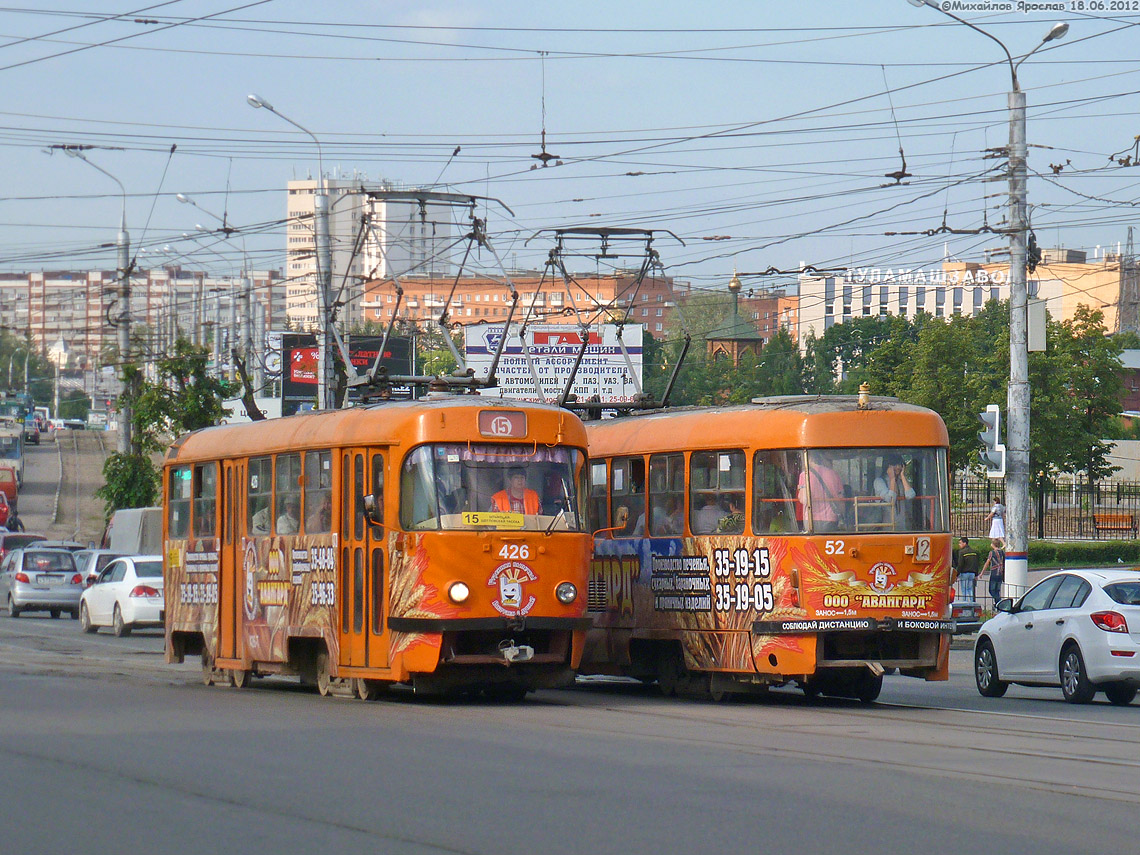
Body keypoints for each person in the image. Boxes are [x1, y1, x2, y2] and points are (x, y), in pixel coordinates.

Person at [797, 451, 845, 532]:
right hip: (831, 518)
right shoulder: (834, 474)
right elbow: (841, 499)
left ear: (809, 458)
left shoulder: (804, 475)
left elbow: (803, 499)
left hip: (810, 518)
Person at [873, 454, 915, 526]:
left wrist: (903, 476)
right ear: (887, 466)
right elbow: (891, 500)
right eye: (894, 465)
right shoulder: (879, 481)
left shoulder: (901, 481)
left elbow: (911, 495)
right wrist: (892, 479)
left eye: (900, 464)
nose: (898, 467)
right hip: (886, 525)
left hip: (901, 525)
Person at [980, 537, 1005, 603]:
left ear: (993, 545)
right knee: (997, 590)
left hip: (994, 573)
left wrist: (982, 573)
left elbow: (987, 563)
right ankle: (997, 604)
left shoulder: (992, 553)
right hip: (1000, 574)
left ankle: (999, 602)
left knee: (992, 590)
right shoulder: (1002, 552)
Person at [954, 536, 979, 602]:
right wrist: (976, 574)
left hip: (964, 573)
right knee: (970, 589)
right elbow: (976, 564)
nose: (959, 545)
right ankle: (972, 602)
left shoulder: (962, 552)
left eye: (960, 543)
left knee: (964, 589)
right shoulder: (974, 552)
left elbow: (960, 564)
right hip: (972, 573)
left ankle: (965, 602)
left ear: (964, 543)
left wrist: (956, 574)